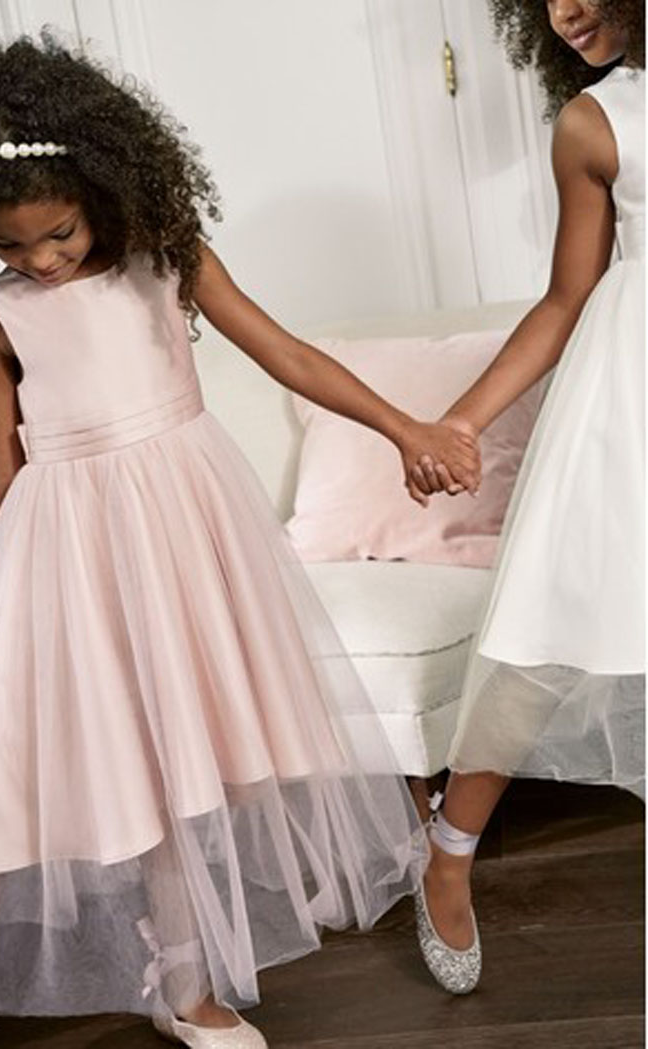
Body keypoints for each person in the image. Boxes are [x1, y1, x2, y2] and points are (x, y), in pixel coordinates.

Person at [0, 32, 484, 1049]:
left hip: (185, 535)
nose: (42, 261)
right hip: (64, 551)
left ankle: (185, 982)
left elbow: (285, 353)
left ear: (102, 188)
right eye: (10, 246)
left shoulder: (167, 257)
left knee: (184, 764)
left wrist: (403, 427)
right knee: (8, 778)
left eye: (59, 233)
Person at [411, 0, 645, 996]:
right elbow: (565, 297)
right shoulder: (597, 122)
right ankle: (449, 849)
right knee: (547, 629)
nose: (565, 12)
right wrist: (461, 420)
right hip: (630, 405)